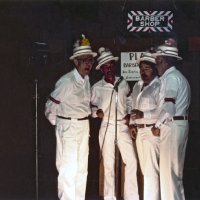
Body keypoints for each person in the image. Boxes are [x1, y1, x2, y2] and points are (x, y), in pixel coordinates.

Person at [44, 34, 97, 200]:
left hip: (83, 127)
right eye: (84, 60)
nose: (88, 64)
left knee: (82, 170)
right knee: (68, 169)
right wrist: (59, 123)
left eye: (90, 60)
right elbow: (50, 106)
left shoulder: (86, 80)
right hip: (68, 127)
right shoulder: (66, 81)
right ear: (76, 61)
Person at [91, 47, 139, 200]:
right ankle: (109, 197)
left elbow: (130, 100)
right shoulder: (97, 87)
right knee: (108, 165)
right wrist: (95, 112)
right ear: (102, 69)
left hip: (123, 127)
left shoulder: (123, 82)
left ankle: (131, 197)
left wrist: (129, 117)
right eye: (106, 66)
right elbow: (89, 105)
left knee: (131, 161)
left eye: (111, 65)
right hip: (107, 126)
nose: (109, 68)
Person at [152, 38, 191, 200]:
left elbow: (168, 108)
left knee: (169, 173)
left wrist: (157, 125)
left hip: (172, 125)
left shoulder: (171, 78)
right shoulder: (177, 76)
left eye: (157, 61)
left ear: (164, 61)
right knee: (174, 174)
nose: (156, 65)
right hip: (178, 125)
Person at [129, 51, 161, 200]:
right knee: (144, 171)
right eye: (141, 69)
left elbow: (163, 110)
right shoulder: (137, 85)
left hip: (152, 132)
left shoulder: (159, 85)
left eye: (147, 68)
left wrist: (144, 115)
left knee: (151, 171)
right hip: (140, 132)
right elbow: (131, 105)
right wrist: (132, 124)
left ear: (154, 69)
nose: (143, 72)